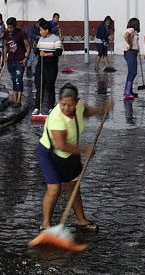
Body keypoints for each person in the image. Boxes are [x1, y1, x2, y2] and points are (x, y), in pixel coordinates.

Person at [36, 83, 112, 231]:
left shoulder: (78, 107)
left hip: (70, 153)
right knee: (54, 188)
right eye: (63, 104)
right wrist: (84, 151)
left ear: (77, 102)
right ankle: (45, 225)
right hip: (50, 153)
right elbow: (60, 145)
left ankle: (81, 219)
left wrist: (103, 109)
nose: (66, 108)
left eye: (70, 105)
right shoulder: (57, 118)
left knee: (73, 185)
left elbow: (87, 111)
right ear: (59, 101)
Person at [32, 20, 63, 115]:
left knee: (50, 86)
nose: (40, 32)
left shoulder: (55, 39)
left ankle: (50, 107)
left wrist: (47, 54)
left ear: (46, 30)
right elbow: (37, 50)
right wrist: (36, 50)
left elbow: (59, 52)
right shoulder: (41, 39)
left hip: (51, 66)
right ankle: (37, 107)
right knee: (39, 86)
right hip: (41, 65)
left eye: (41, 30)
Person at [1, 17, 29, 106]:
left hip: (20, 60)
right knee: (13, 79)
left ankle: (19, 100)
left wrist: (26, 58)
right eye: (8, 27)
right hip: (11, 60)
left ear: (15, 26)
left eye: (11, 27)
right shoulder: (6, 33)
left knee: (18, 80)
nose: (9, 29)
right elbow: (5, 46)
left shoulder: (21, 34)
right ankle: (14, 98)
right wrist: (4, 57)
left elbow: (28, 46)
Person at [122, 18, 141, 101]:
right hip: (130, 52)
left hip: (133, 52)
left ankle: (129, 90)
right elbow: (126, 35)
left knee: (133, 72)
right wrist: (129, 44)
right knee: (132, 72)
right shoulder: (131, 29)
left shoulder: (134, 31)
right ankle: (127, 92)